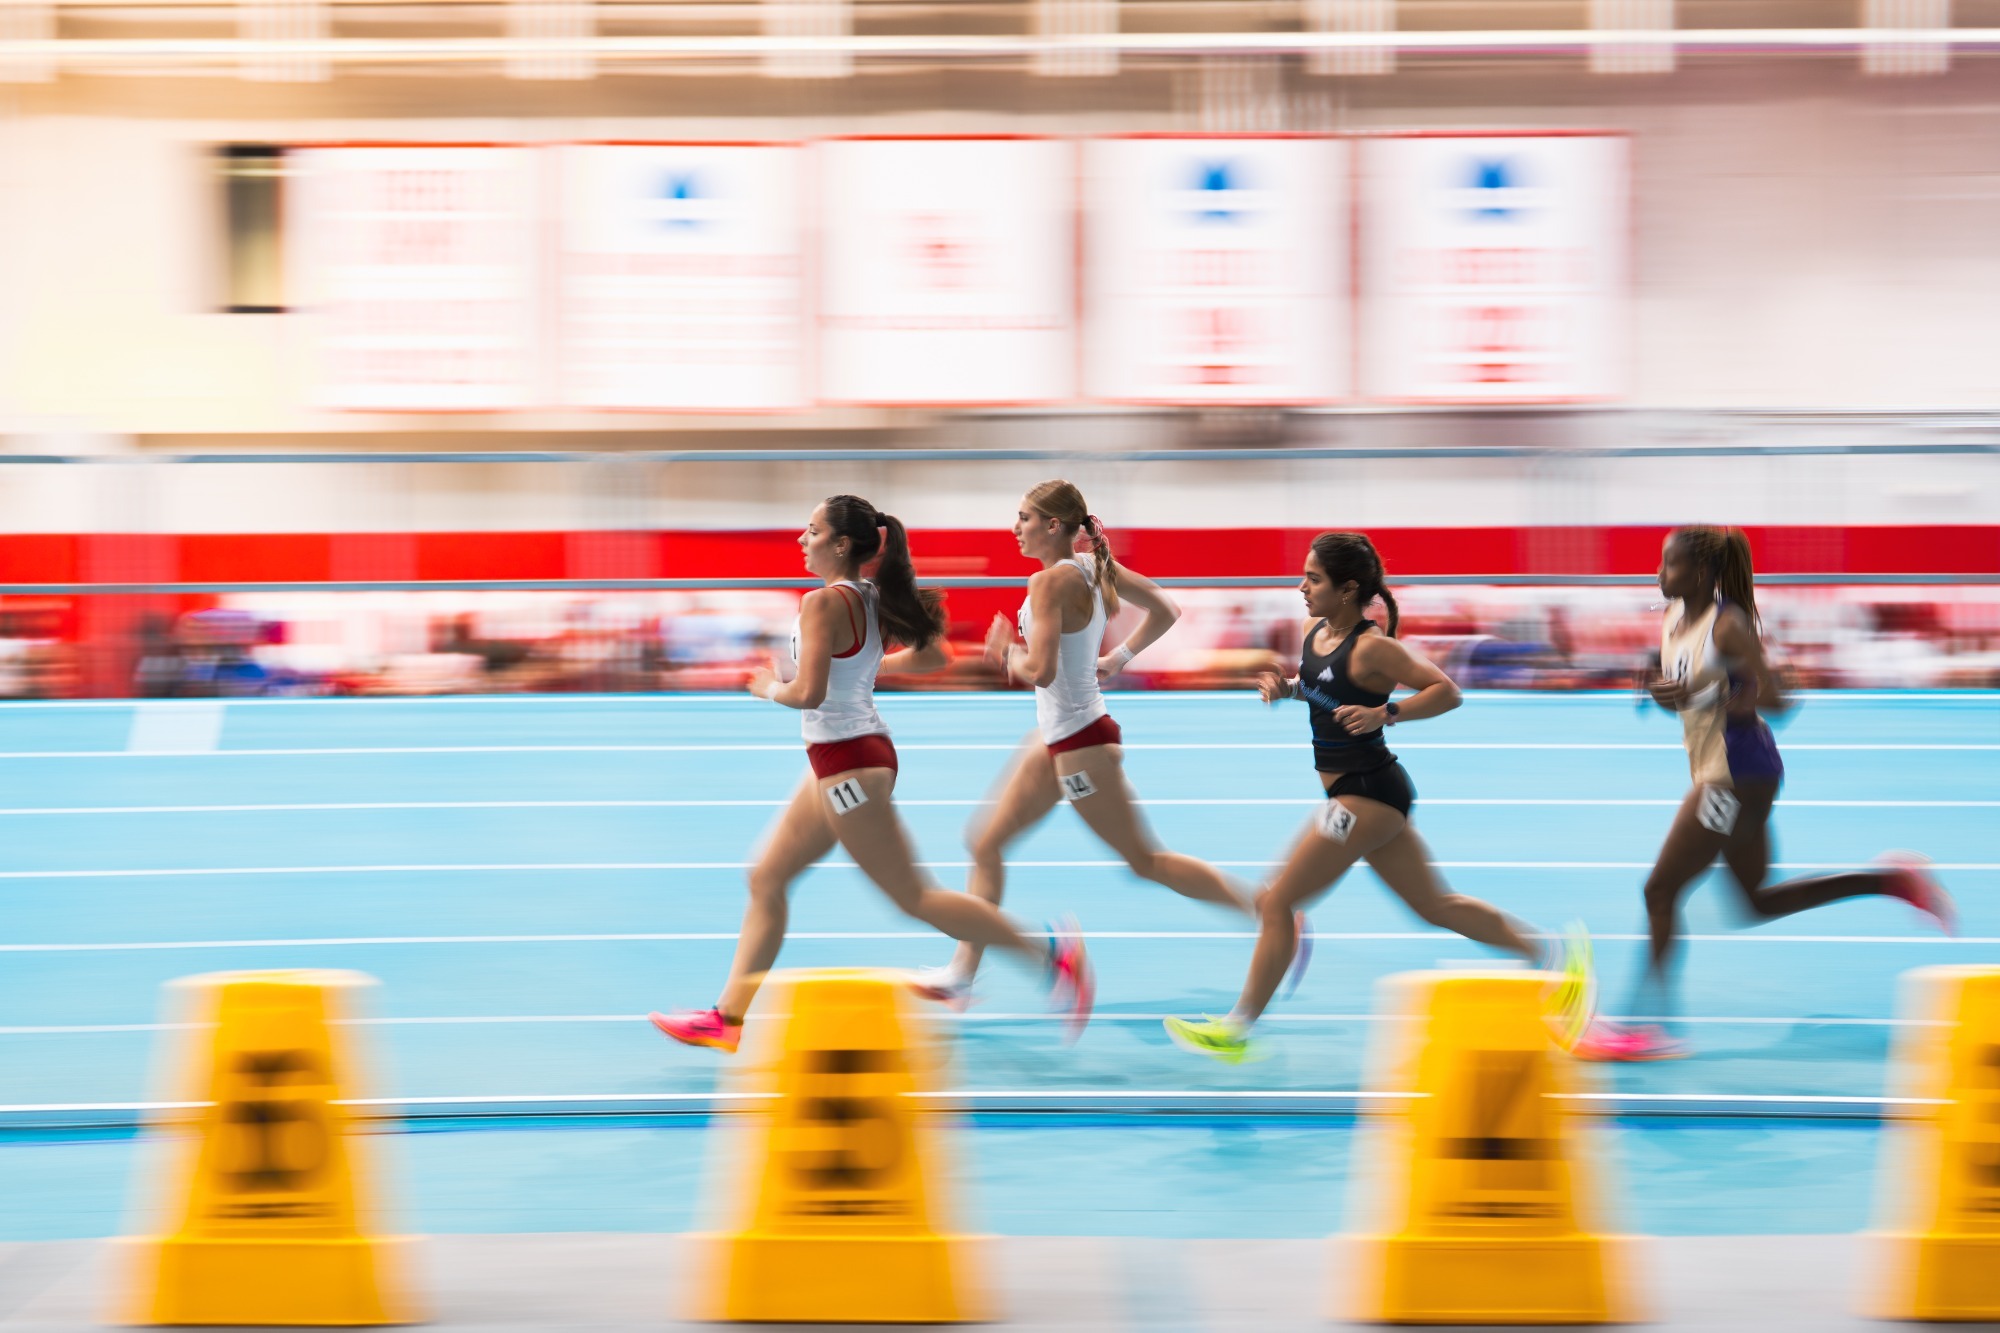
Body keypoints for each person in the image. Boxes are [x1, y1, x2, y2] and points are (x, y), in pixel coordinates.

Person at [649, 494, 1092, 1053]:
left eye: (810, 531)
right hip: (844, 759)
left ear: (840, 544)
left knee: (916, 898)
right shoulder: (871, 596)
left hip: (850, 768)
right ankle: (727, 1019)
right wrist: (868, 666)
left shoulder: (822, 604)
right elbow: (934, 657)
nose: (800, 540)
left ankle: (1050, 954)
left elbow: (808, 691)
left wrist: (768, 689)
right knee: (766, 877)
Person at [1164, 531, 1592, 1064]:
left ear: (1346, 590)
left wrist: (1385, 713)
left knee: (1276, 901)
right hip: (1368, 795)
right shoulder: (1313, 631)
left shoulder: (1374, 648)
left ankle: (1237, 1029)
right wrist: (1289, 689)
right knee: (1435, 906)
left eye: (1313, 579)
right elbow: (1322, 685)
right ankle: (1554, 957)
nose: (1301, 587)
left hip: (1364, 795)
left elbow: (1447, 692)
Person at [912, 480, 1308, 1008]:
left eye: (1024, 518)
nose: (1015, 527)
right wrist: (1117, 657)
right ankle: (963, 974)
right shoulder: (1095, 568)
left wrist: (1005, 652)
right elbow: (1166, 608)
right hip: (1060, 736)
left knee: (1146, 862)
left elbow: (1042, 670)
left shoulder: (1050, 583)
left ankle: (1272, 915)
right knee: (984, 843)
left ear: (1053, 526)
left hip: (1079, 745)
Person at [1574, 525, 1953, 1061]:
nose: (1660, 575)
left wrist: (1744, 698)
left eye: (1672, 565)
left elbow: (1779, 700)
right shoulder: (1673, 621)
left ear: (1701, 573)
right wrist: (1666, 692)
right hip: (1725, 773)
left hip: (1737, 776)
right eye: (1661, 563)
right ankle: (1890, 879)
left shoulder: (1729, 625)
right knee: (1756, 901)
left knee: (1659, 891)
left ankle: (1645, 1026)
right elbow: (1684, 698)